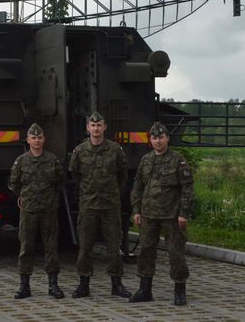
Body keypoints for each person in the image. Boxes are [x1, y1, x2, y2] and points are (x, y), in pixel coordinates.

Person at [129, 121, 194, 306]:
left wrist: (183, 213)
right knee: (146, 252)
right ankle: (145, 290)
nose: (158, 141)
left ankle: (179, 290)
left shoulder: (177, 160)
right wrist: (136, 210)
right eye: (154, 138)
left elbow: (187, 188)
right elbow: (138, 187)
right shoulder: (146, 160)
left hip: (171, 216)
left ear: (167, 138)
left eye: (161, 137)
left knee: (176, 253)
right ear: (150, 140)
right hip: (149, 215)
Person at [68, 111, 131, 299]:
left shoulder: (115, 150)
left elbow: (122, 175)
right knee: (85, 246)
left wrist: (110, 191)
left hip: (110, 205)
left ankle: (116, 284)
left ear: (105, 127)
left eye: (99, 125)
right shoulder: (80, 151)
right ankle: (84, 284)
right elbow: (75, 175)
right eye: (92, 125)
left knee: (114, 245)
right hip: (88, 205)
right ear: (88, 128)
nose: (96, 129)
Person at [9, 123, 65, 299]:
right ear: (28, 140)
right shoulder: (21, 161)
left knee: (51, 247)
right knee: (26, 247)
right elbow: (14, 184)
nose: (37, 141)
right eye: (33, 138)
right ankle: (24, 286)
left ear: (44, 140)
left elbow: (60, 182)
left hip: (48, 210)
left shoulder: (52, 160)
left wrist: (49, 197)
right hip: (29, 210)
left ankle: (53, 285)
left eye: (39, 137)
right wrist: (24, 195)